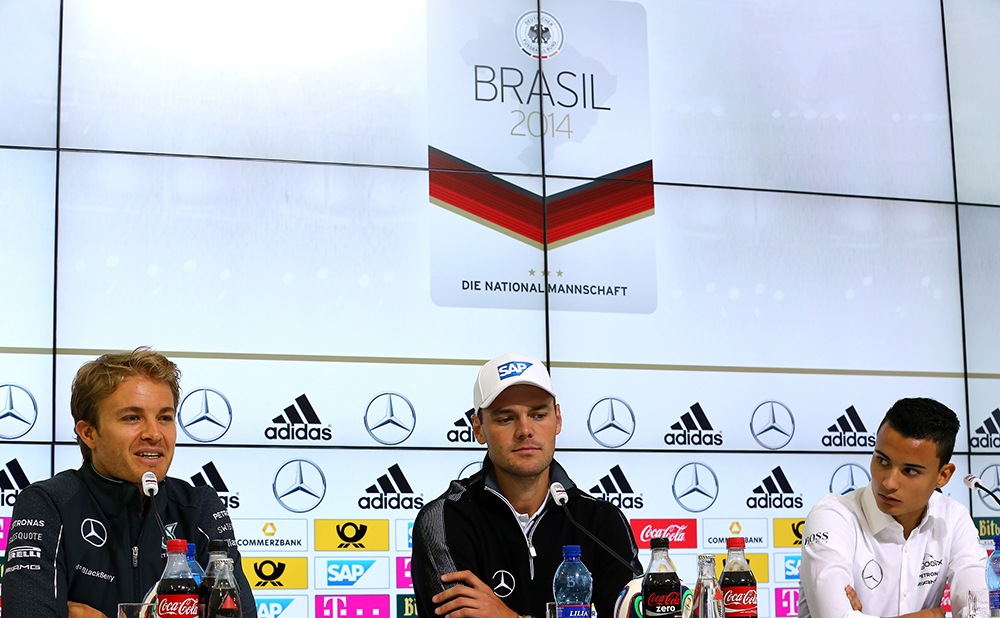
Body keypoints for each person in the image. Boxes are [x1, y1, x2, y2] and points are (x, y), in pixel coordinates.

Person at [2, 347, 256, 618]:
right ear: (89, 433)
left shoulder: (198, 507)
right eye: (132, 418)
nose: (154, 434)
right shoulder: (49, 503)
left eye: (165, 418)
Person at [411, 352, 640, 618]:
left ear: (558, 419)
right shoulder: (446, 520)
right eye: (506, 418)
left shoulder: (601, 522)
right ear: (478, 428)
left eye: (538, 415)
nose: (525, 430)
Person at [799, 398, 986, 618]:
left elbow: (980, 612)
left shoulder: (953, 518)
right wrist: (931, 616)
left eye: (910, 471)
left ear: (943, 476)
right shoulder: (833, 515)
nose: (889, 482)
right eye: (882, 460)